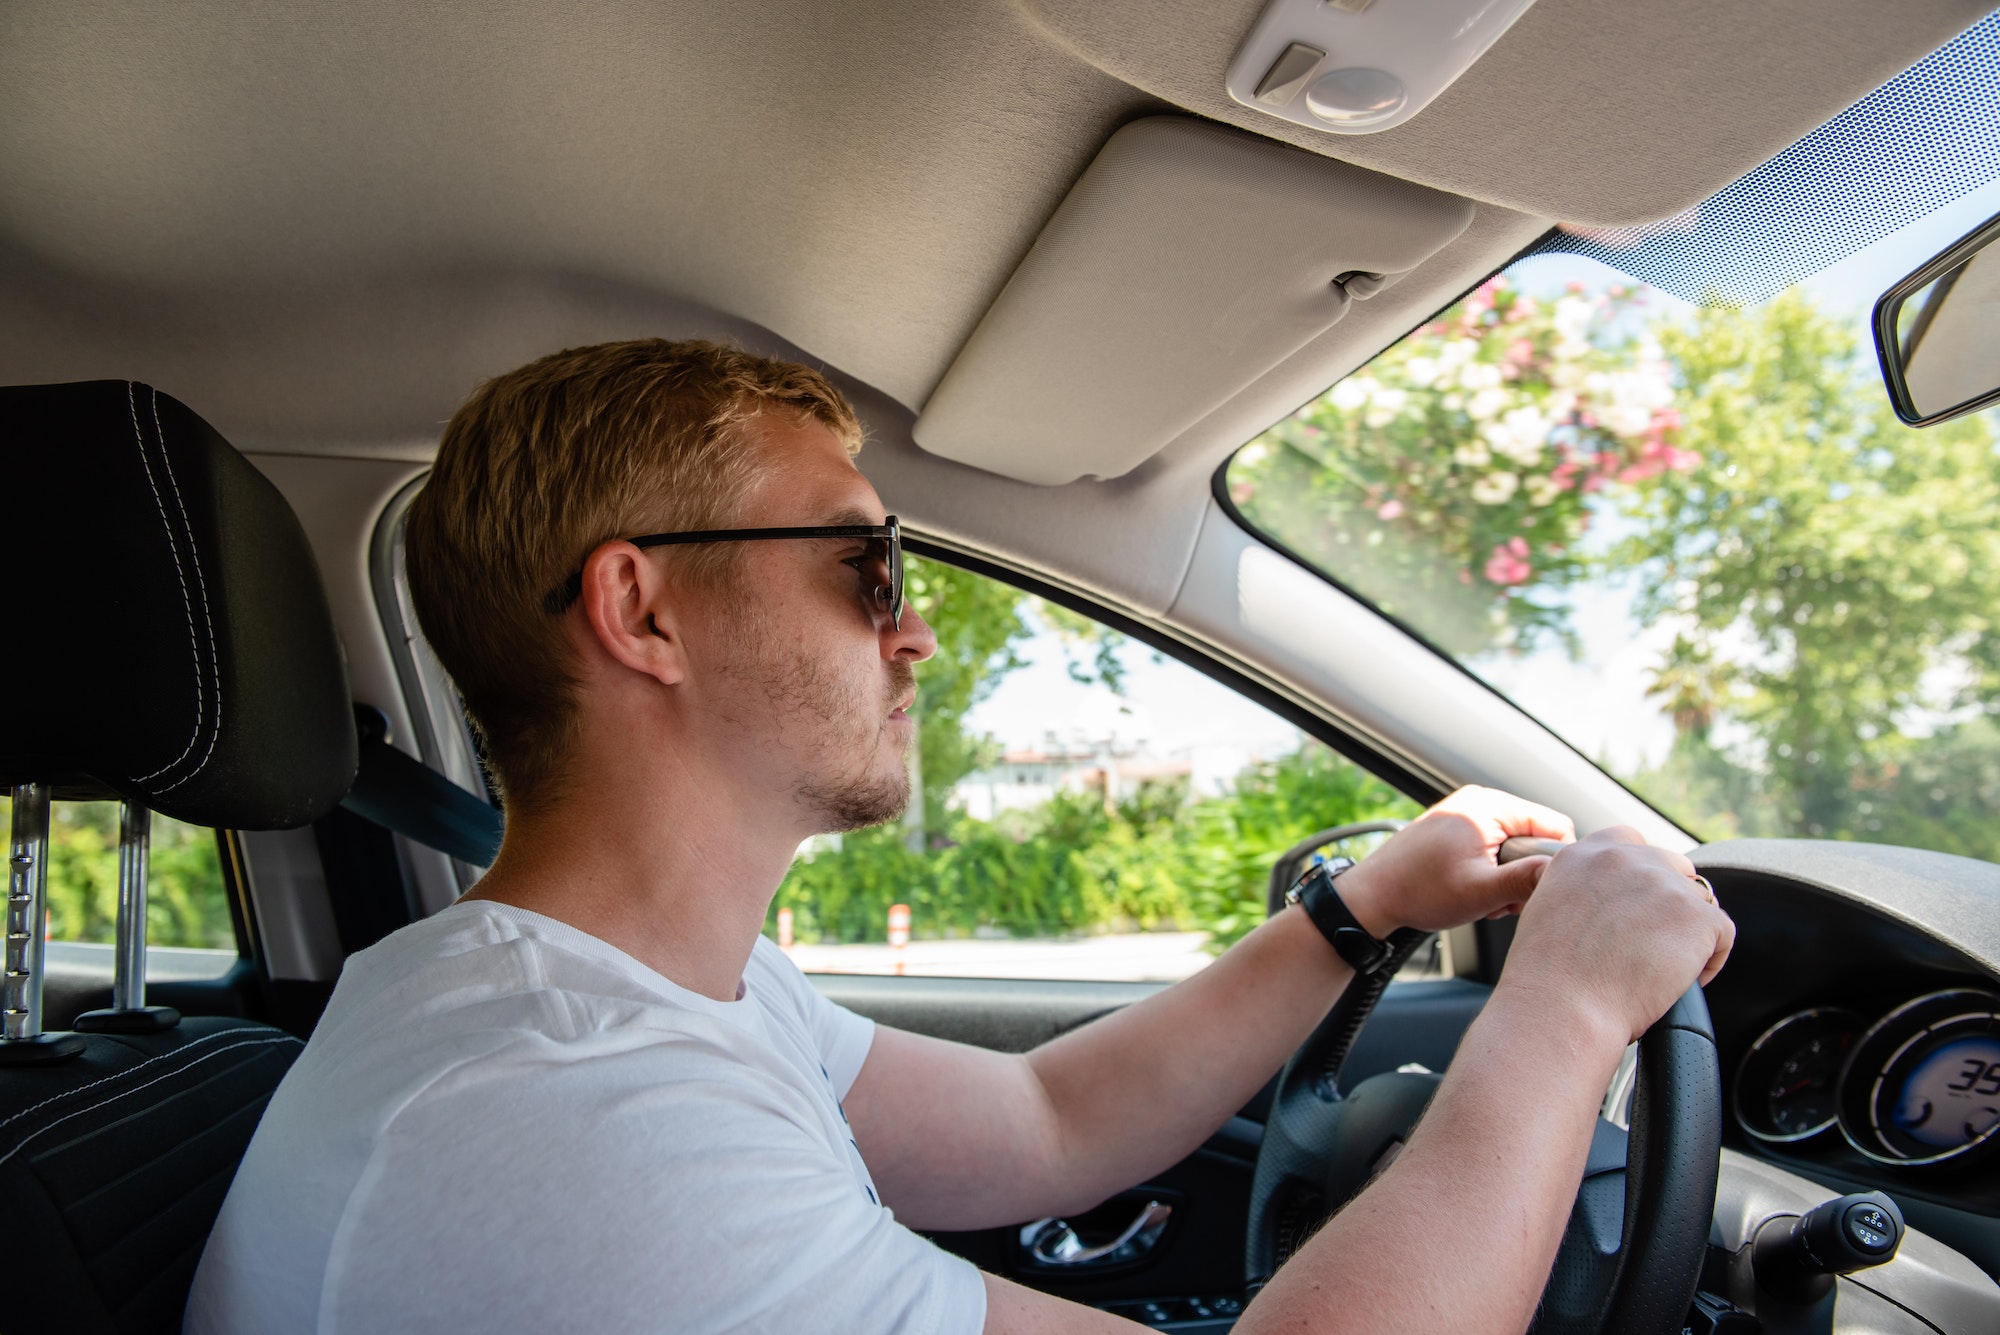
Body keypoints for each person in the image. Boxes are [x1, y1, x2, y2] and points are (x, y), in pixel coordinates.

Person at [186, 339, 1734, 1334]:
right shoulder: (575, 1112)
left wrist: (1369, 900)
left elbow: (1047, 1127)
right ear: (644, 610)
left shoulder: (622, 992)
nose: (915, 632)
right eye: (868, 564)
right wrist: (1570, 1006)